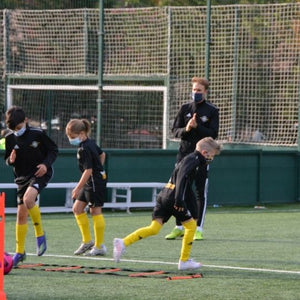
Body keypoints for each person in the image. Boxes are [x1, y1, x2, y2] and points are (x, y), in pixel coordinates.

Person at [113, 137, 221, 270]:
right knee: (191, 227)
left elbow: (187, 187)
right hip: (173, 197)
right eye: (211, 156)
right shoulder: (194, 159)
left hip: (164, 194)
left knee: (154, 228)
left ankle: (123, 242)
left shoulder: (191, 159)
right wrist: (179, 201)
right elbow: (182, 178)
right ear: (204, 152)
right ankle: (184, 261)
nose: (211, 159)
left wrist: (192, 208)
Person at [165, 77, 219, 241]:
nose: (196, 93)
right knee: (179, 189)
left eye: (199, 90)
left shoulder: (212, 110)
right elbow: (175, 131)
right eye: (194, 90)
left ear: (205, 92)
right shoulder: (185, 108)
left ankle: (198, 228)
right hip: (183, 156)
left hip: (202, 157)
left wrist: (198, 127)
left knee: (200, 192)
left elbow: (213, 134)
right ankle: (179, 226)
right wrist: (187, 128)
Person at [4, 106, 58, 266]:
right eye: (13, 129)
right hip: (21, 177)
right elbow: (7, 159)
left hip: (39, 173)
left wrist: (45, 165)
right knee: (21, 215)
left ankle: (40, 234)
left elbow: (53, 150)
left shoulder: (38, 134)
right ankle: (20, 252)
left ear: (25, 121)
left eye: (19, 128)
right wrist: (10, 160)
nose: (16, 131)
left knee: (29, 200)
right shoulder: (9, 138)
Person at [65, 118, 107, 256]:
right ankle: (87, 241)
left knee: (95, 212)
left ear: (82, 133)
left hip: (94, 182)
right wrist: (100, 168)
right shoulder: (89, 143)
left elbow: (88, 171)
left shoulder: (84, 148)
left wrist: (77, 188)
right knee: (77, 209)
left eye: (73, 137)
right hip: (92, 181)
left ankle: (99, 246)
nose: (71, 140)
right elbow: (102, 154)